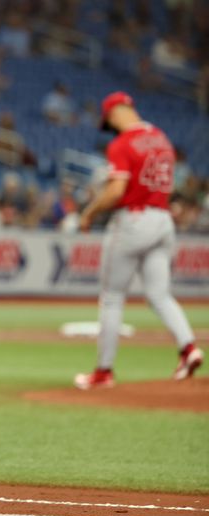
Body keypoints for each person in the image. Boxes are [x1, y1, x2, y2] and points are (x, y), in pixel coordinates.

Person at [74, 91, 203, 390]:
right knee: (160, 294)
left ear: (115, 111)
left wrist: (90, 212)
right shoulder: (161, 138)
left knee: (112, 297)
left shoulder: (121, 144)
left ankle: (104, 371)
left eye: (108, 120)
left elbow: (117, 190)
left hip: (133, 219)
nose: (110, 127)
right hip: (162, 219)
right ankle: (188, 349)